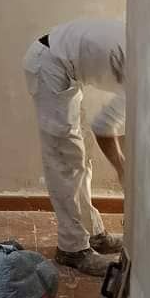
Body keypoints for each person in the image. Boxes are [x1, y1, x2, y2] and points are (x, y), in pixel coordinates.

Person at [23, 18, 126, 277]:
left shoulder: (149, 47)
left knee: (81, 157)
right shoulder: (143, 71)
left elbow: (118, 126)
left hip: (65, 66)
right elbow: (104, 127)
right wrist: (123, 169)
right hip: (50, 64)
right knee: (65, 162)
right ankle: (72, 249)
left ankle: (93, 234)